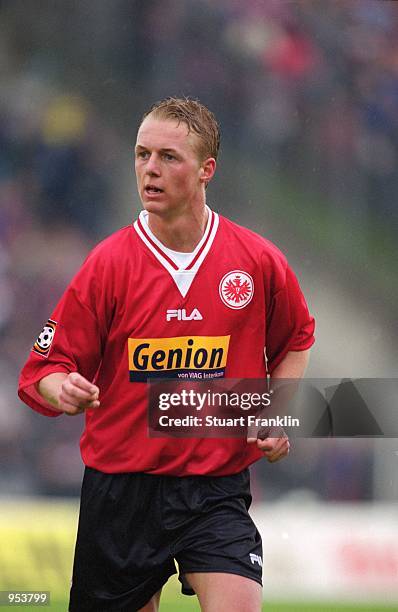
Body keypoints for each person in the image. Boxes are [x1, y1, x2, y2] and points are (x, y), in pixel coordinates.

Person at [18, 97, 315, 612]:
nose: (150, 169)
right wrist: (62, 387)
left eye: (168, 157)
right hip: (121, 494)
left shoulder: (257, 260)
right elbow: (43, 369)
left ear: (207, 171)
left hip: (215, 489)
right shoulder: (107, 265)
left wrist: (275, 410)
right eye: (141, 154)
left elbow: (295, 340)